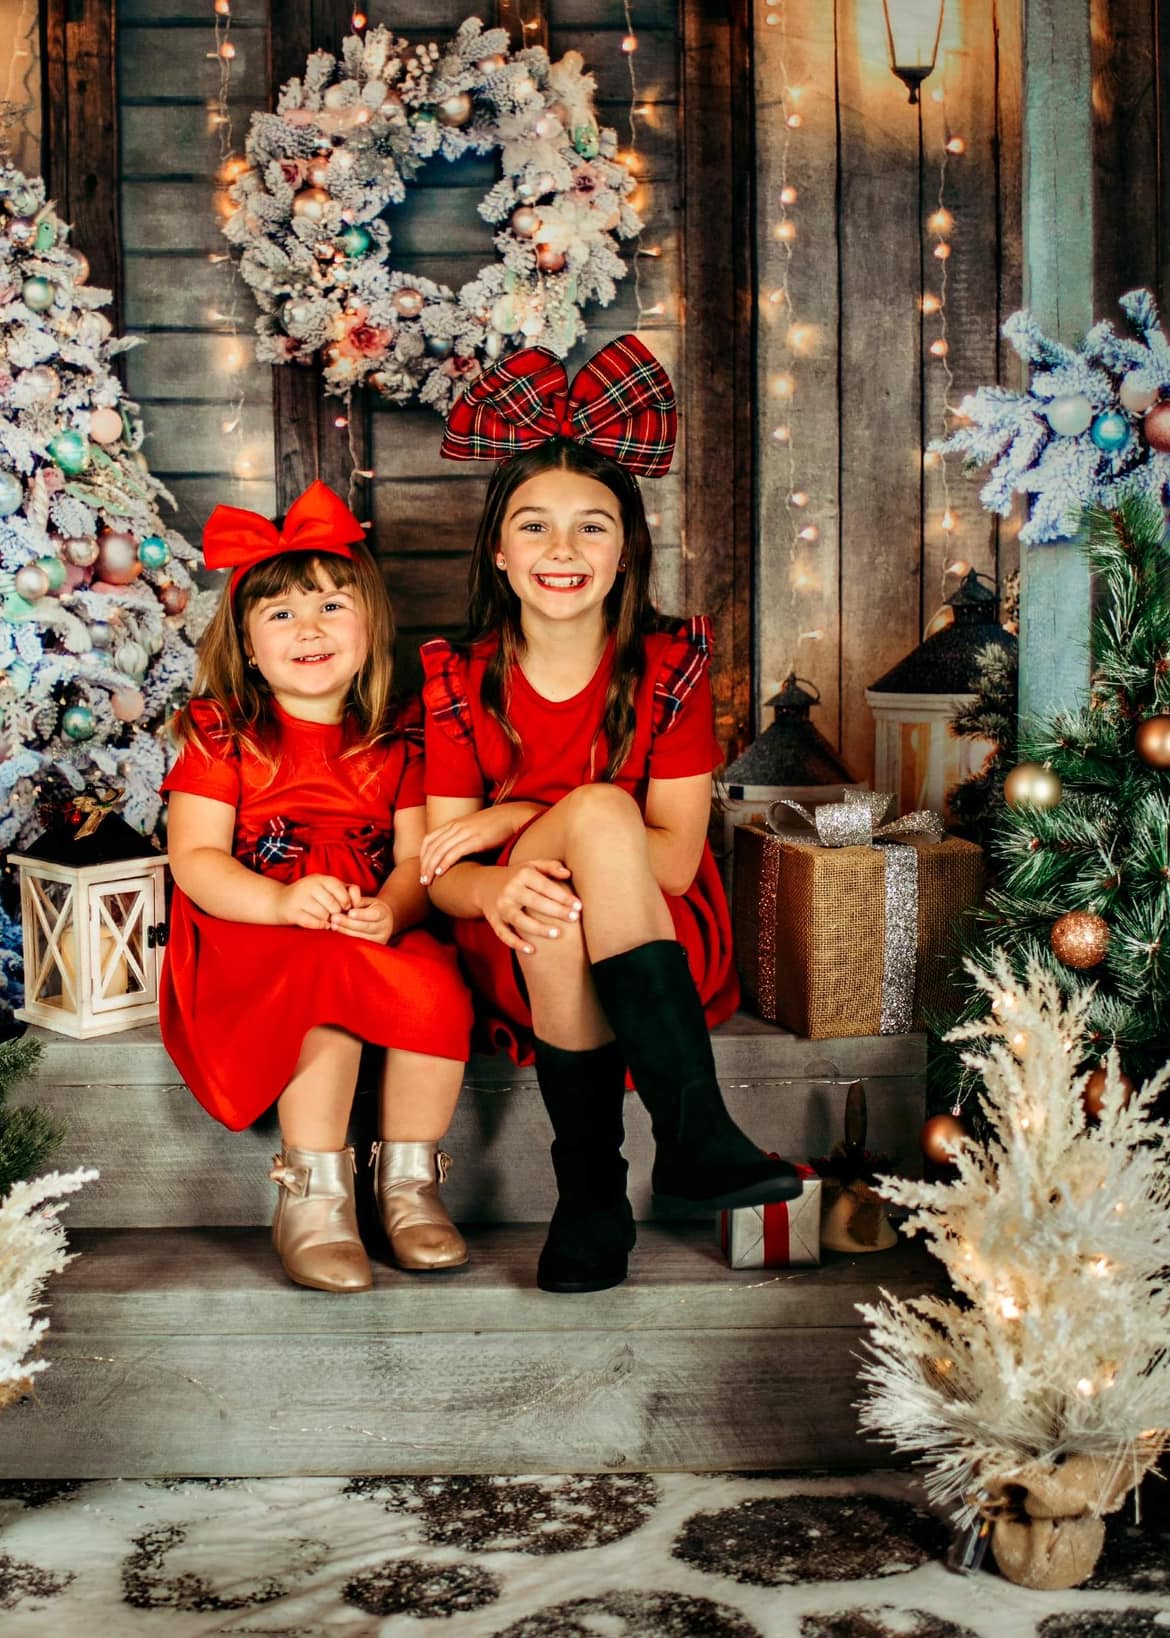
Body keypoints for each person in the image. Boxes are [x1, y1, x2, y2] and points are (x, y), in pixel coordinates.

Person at [417, 336, 803, 1295]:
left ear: (625, 549)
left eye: (591, 527)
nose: (562, 550)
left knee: (589, 843)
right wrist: (501, 868)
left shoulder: (670, 667)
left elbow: (671, 866)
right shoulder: (458, 680)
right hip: (514, 935)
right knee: (561, 884)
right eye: (535, 528)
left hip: (661, 939)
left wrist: (514, 821)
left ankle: (592, 1187)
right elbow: (445, 872)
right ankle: (685, 1135)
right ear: (500, 554)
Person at [160, 482, 475, 1293]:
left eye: (332, 607)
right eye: (281, 615)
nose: (309, 629)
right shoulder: (223, 733)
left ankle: (408, 1186)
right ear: (248, 645)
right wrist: (277, 902)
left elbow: (415, 861)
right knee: (324, 989)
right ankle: (314, 1195)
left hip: (365, 925)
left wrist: (393, 908)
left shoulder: (399, 739)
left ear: (371, 629)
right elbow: (194, 859)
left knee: (436, 984)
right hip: (253, 928)